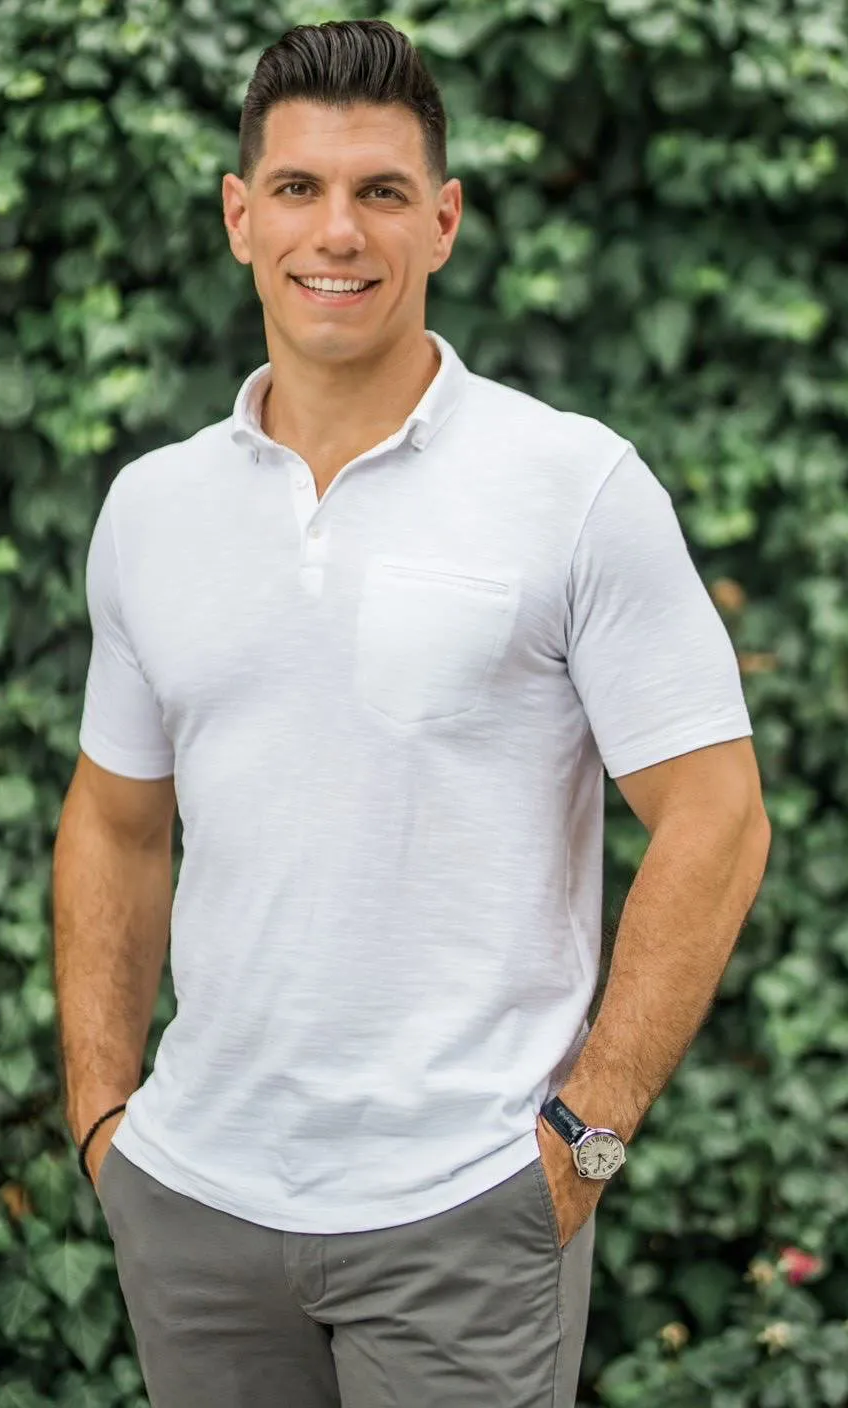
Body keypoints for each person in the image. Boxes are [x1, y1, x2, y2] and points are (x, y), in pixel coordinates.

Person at [52, 18, 772, 1408]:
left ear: (442, 221)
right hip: (193, 1203)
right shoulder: (153, 507)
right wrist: (103, 1121)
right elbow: (116, 820)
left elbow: (718, 817)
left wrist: (587, 1138)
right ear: (240, 217)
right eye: (300, 189)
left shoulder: (574, 485)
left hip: (466, 1210)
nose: (339, 231)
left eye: (381, 191)